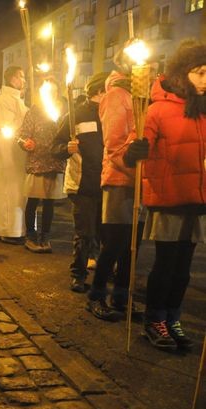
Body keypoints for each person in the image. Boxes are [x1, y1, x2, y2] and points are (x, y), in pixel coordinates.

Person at [124, 40, 206, 350]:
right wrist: (135, 152)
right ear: (182, 74)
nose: (205, 80)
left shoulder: (203, 111)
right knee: (166, 265)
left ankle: (173, 317)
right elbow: (128, 153)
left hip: (197, 202)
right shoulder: (157, 110)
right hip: (168, 199)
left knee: (184, 270)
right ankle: (154, 319)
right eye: (199, 73)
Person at [86, 47, 144, 321]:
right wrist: (132, 160)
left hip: (142, 182)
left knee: (133, 247)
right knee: (115, 245)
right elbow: (113, 145)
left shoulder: (142, 97)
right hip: (120, 179)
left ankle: (121, 299)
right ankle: (96, 296)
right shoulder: (115, 96)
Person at [53, 72, 109, 292]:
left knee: (106, 233)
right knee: (84, 233)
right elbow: (55, 147)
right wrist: (65, 149)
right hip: (82, 184)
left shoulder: (114, 114)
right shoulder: (76, 115)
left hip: (108, 182)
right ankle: (78, 274)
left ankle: (105, 271)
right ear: (99, 91)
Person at [18, 80, 66, 253]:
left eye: (53, 90)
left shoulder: (63, 111)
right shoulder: (34, 111)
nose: (50, 93)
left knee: (49, 203)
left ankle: (45, 236)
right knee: (32, 200)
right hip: (37, 163)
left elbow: (67, 134)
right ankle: (30, 235)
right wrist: (26, 143)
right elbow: (21, 136)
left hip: (55, 161)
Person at [0, 66, 29, 244]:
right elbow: (7, 125)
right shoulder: (4, 100)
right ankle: (7, 230)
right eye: (21, 77)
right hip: (8, 153)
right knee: (9, 191)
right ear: (12, 79)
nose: (24, 80)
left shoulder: (16, 99)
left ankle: (11, 228)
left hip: (16, 153)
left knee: (16, 191)